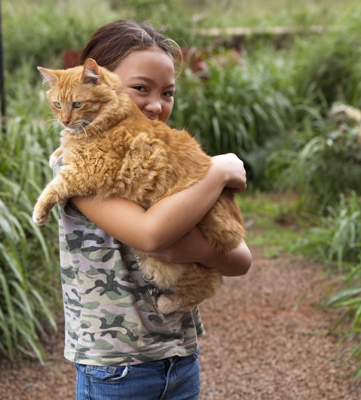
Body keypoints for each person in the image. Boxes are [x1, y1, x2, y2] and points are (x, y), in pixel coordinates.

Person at [53, 19, 252, 400]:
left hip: (180, 357)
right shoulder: (77, 164)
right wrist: (220, 169)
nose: (157, 105)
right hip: (116, 369)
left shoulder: (169, 157)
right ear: (97, 84)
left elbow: (240, 260)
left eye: (169, 93)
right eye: (141, 88)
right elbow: (151, 235)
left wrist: (198, 250)